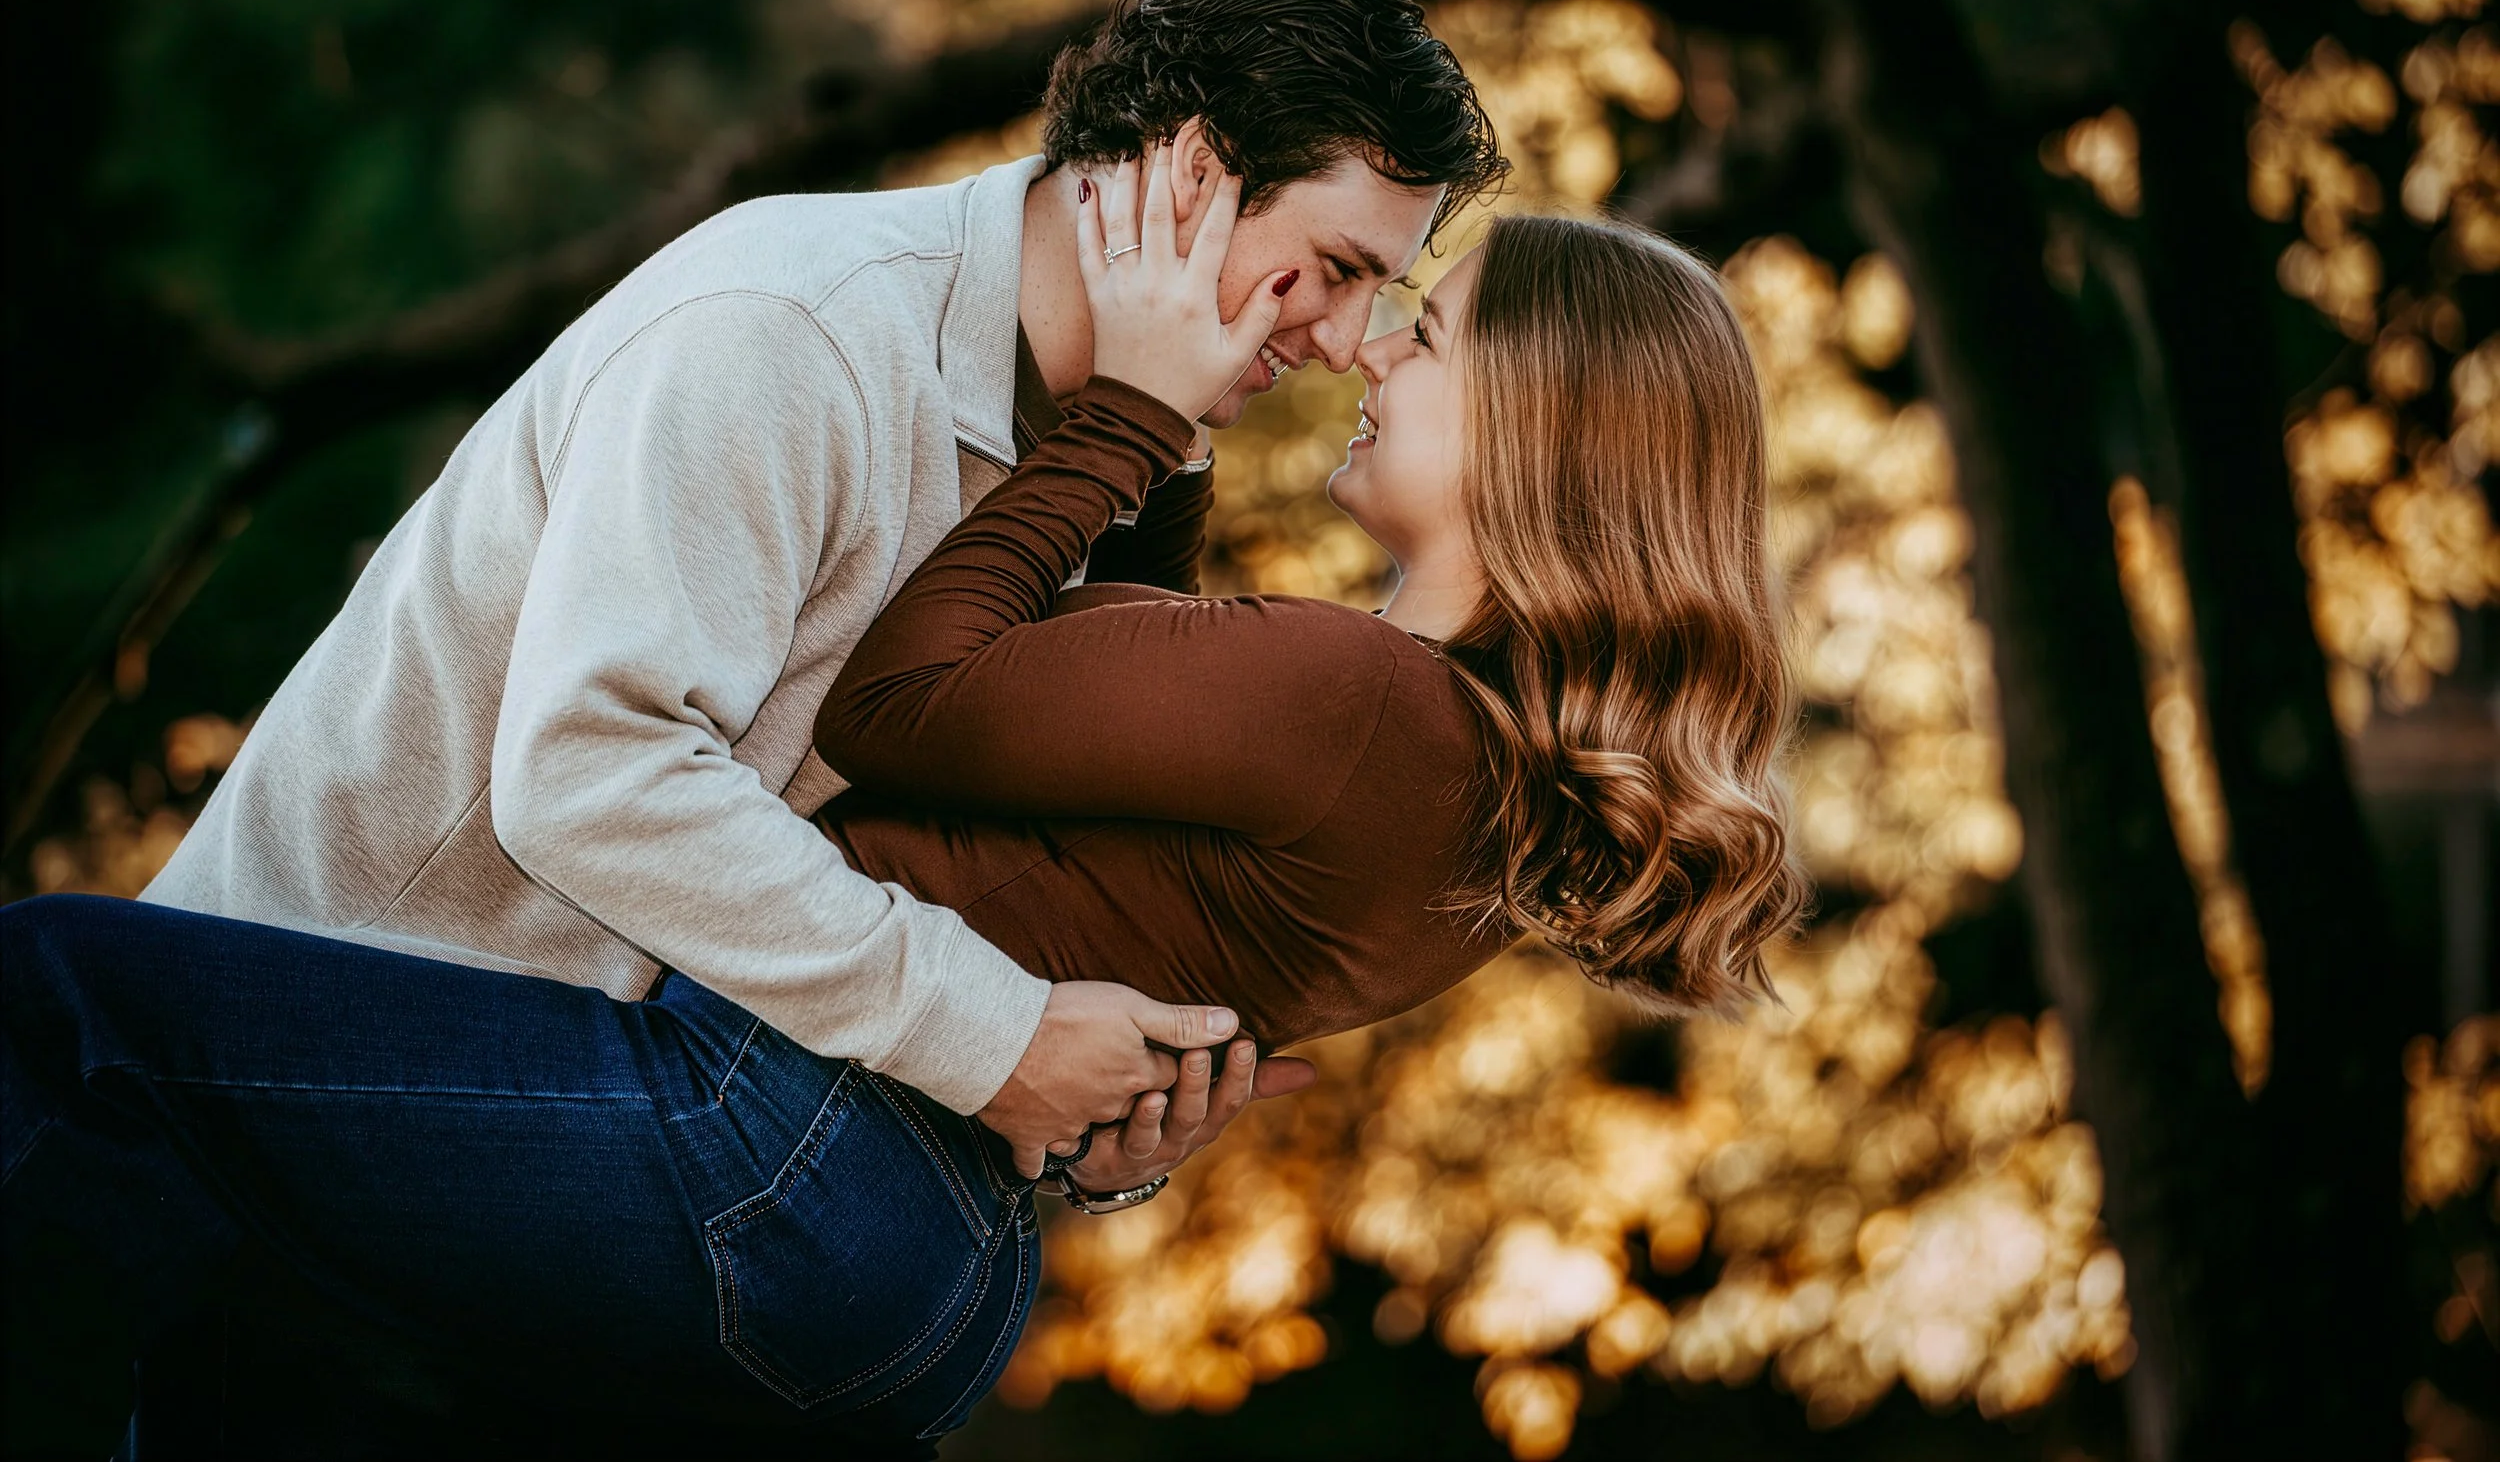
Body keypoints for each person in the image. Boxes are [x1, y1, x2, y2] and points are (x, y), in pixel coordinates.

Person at [4, 145, 1808, 1456]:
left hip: (775, 1138)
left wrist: (1130, 414)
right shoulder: (1459, 788)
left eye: (1435, 331)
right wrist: (1156, 435)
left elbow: (916, 694)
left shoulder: (1360, 704)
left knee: (62, 1004)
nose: (1371, 350)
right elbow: (1115, 733)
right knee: (266, 1353)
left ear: (1549, 427)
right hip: (918, 1249)